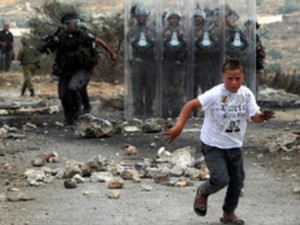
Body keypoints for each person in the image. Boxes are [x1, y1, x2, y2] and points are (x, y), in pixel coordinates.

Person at [165, 58, 274, 225]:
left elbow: (255, 117)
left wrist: (263, 116)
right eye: (230, 78)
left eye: (238, 78)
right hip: (213, 145)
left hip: (235, 146)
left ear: (243, 76)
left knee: (237, 181)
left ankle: (229, 214)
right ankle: (203, 192)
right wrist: (179, 126)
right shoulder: (215, 94)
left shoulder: (246, 94)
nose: (234, 82)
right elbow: (190, 105)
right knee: (221, 178)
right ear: (223, 76)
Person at [40, 12, 117, 125]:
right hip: (65, 69)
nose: (70, 26)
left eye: (72, 23)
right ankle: (69, 117)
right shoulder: (61, 37)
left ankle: (79, 112)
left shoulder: (83, 35)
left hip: (80, 69)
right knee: (62, 95)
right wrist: (45, 46)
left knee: (73, 88)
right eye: (68, 24)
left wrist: (112, 53)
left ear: (77, 24)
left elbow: (99, 41)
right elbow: (50, 48)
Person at [127, 5, 156, 118]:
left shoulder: (151, 29)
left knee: (150, 87)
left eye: (144, 16)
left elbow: (155, 42)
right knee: (137, 87)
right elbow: (129, 41)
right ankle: (138, 111)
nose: (142, 18)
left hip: (150, 62)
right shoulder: (133, 30)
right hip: (137, 61)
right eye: (140, 16)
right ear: (136, 17)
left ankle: (149, 110)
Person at [162, 8, 187, 118]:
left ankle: (177, 111)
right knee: (166, 88)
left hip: (179, 63)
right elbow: (160, 46)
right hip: (167, 62)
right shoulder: (164, 31)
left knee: (177, 87)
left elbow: (187, 46)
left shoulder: (183, 30)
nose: (173, 20)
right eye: (171, 18)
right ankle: (166, 111)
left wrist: (182, 37)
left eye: (175, 18)